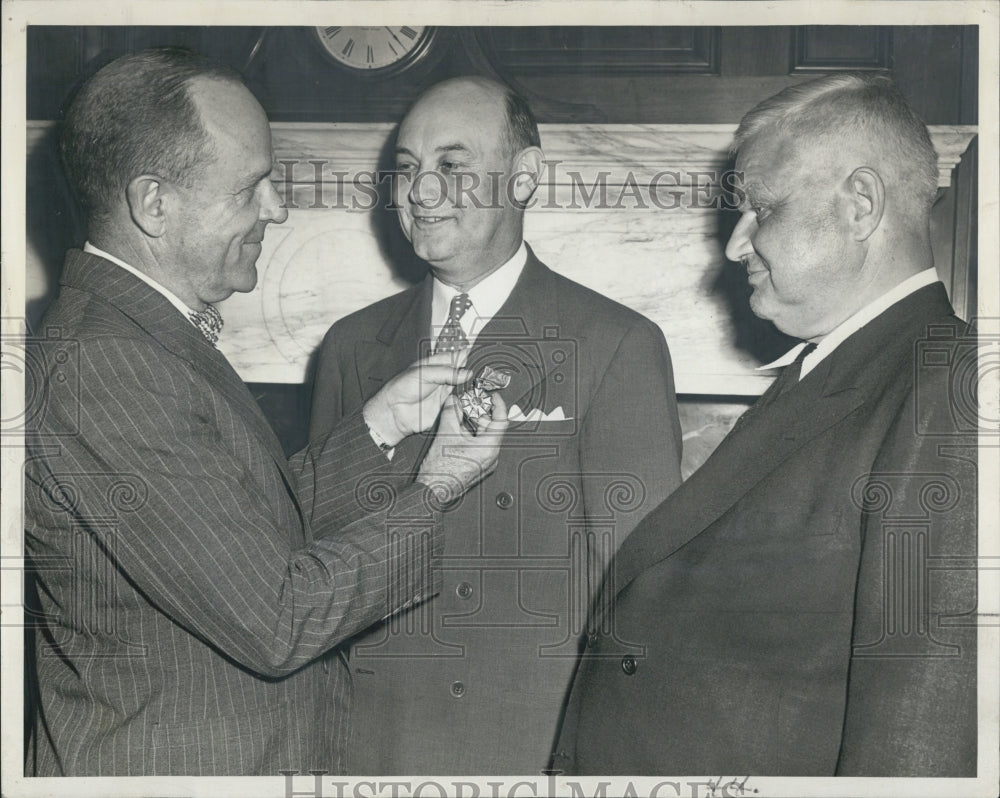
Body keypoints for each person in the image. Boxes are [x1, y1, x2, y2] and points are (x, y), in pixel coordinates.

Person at [23, 48, 506, 778]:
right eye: (252, 188)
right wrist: (434, 491)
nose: (277, 209)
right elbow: (279, 617)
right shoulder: (107, 367)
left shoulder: (141, 336)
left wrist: (379, 429)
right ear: (154, 203)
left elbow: (240, 534)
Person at [551, 73, 978, 776]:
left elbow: (919, 736)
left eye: (763, 210)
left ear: (860, 204)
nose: (735, 244)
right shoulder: (831, 371)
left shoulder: (952, 392)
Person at [309, 76, 683, 774]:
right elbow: (314, 561)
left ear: (525, 177)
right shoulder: (350, 346)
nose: (421, 192)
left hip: (520, 747)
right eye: (408, 169)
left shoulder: (614, 344)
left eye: (452, 166)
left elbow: (641, 600)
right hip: (364, 743)